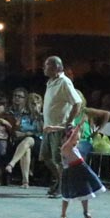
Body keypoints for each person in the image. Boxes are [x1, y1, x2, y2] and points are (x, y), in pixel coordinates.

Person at [40, 56, 82, 199]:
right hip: (48, 128)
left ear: (56, 67)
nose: (44, 68)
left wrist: (68, 122)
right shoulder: (51, 82)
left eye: (47, 65)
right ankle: (60, 181)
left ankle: (63, 186)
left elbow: (77, 102)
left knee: (58, 160)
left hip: (59, 128)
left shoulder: (64, 82)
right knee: (46, 157)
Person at [58, 117, 105, 218]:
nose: (77, 141)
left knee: (85, 191)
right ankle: (63, 215)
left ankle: (86, 212)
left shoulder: (74, 146)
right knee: (66, 195)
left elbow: (70, 133)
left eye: (78, 139)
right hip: (70, 172)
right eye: (76, 139)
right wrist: (80, 124)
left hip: (80, 169)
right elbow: (71, 136)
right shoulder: (66, 147)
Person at [5, 91, 43, 188]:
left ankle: (12, 163)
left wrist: (38, 117)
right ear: (28, 105)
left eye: (37, 103)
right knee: (26, 149)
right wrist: (25, 133)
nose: (35, 106)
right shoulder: (23, 117)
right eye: (33, 104)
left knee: (29, 139)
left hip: (40, 142)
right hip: (23, 142)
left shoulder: (43, 117)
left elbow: (42, 131)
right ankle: (25, 181)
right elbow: (17, 133)